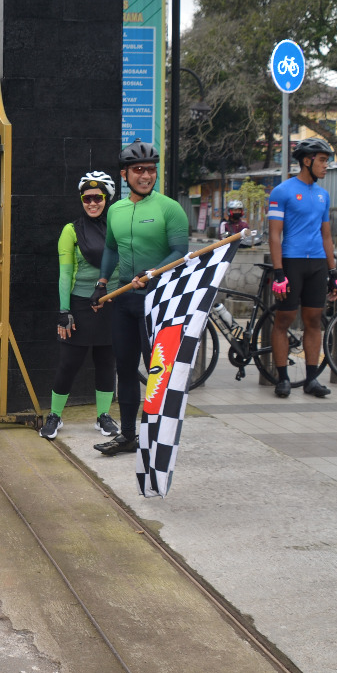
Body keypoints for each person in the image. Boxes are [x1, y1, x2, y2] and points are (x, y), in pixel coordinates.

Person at [91, 139, 189, 457]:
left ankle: (158, 434)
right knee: (126, 367)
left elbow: (179, 251)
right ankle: (129, 436)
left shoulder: (169, 208)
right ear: (124, 174)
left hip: (158, 300)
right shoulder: (116, 210)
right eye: (138, 170)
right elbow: (110, 249)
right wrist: (102, 282)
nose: (146, 175)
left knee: (157, 370)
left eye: (150, 170)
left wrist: (153, 272)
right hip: (125, 300)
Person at [40, 171, 120, 440]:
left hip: (111, 303)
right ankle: (55, 415)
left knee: (106, 362)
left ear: (107, 199)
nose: (93, 203)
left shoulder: (118, 229)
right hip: (80, 305)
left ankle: (103, 416)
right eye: (87, 198)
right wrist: (64, 311)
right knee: (69, 363)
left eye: (98, 197)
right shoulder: (71, 230)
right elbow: (65, 273)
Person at [267, 137, 337, 399]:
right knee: (284, 320)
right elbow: (274, 235)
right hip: (292, 262)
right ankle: (283, 378)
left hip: (317, 264)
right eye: (322, 160)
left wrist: (333, 271)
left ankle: (311, 379)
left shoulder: (323, 195)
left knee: (313, 321)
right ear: (307, 161)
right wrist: (278, 271)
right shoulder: (283, 191)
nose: (325, 166)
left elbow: (327, 236)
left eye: (326, 161)